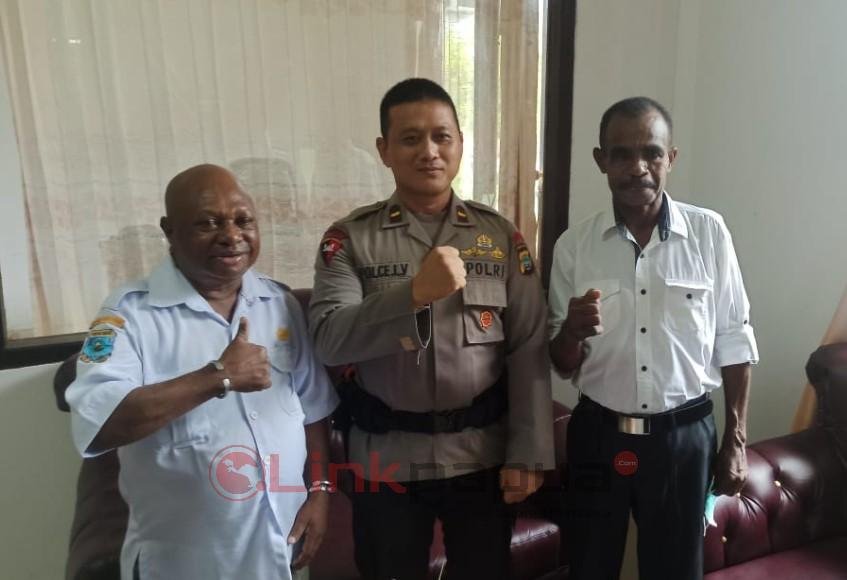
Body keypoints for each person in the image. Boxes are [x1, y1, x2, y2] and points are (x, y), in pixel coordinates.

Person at [309, 78, 554, 580]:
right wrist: (412, 295)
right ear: (384, 150)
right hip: (385, 459)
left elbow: (528, 346)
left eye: (442, 137)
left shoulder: (499, 237)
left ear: (460, 143)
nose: (429, 151)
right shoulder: (350, 239)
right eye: (410, 138)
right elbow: (329, 340)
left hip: (480, 456)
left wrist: (529, 454)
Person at [66, 164, 338, 580]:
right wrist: (217, 376)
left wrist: (319, 491)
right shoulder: (129, 314)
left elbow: (313, 410)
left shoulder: (278, 302)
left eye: (243, 221)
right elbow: (97, 423)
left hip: (279, 550)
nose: (231, 235)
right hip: (183, 562)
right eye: (208, 223)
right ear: (169, 230)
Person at [548, 97, 759, 579]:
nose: (637, 167)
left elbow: (734, 339)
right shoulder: (574, 246)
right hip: (597, 436)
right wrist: (572, 331)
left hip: (683, 440)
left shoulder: (708, 233)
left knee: (675, 570)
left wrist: (737, 440)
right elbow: (561, 362)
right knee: (589, 566)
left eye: (652, 153)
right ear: (601, 160)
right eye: (621, 154)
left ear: (671, 158)